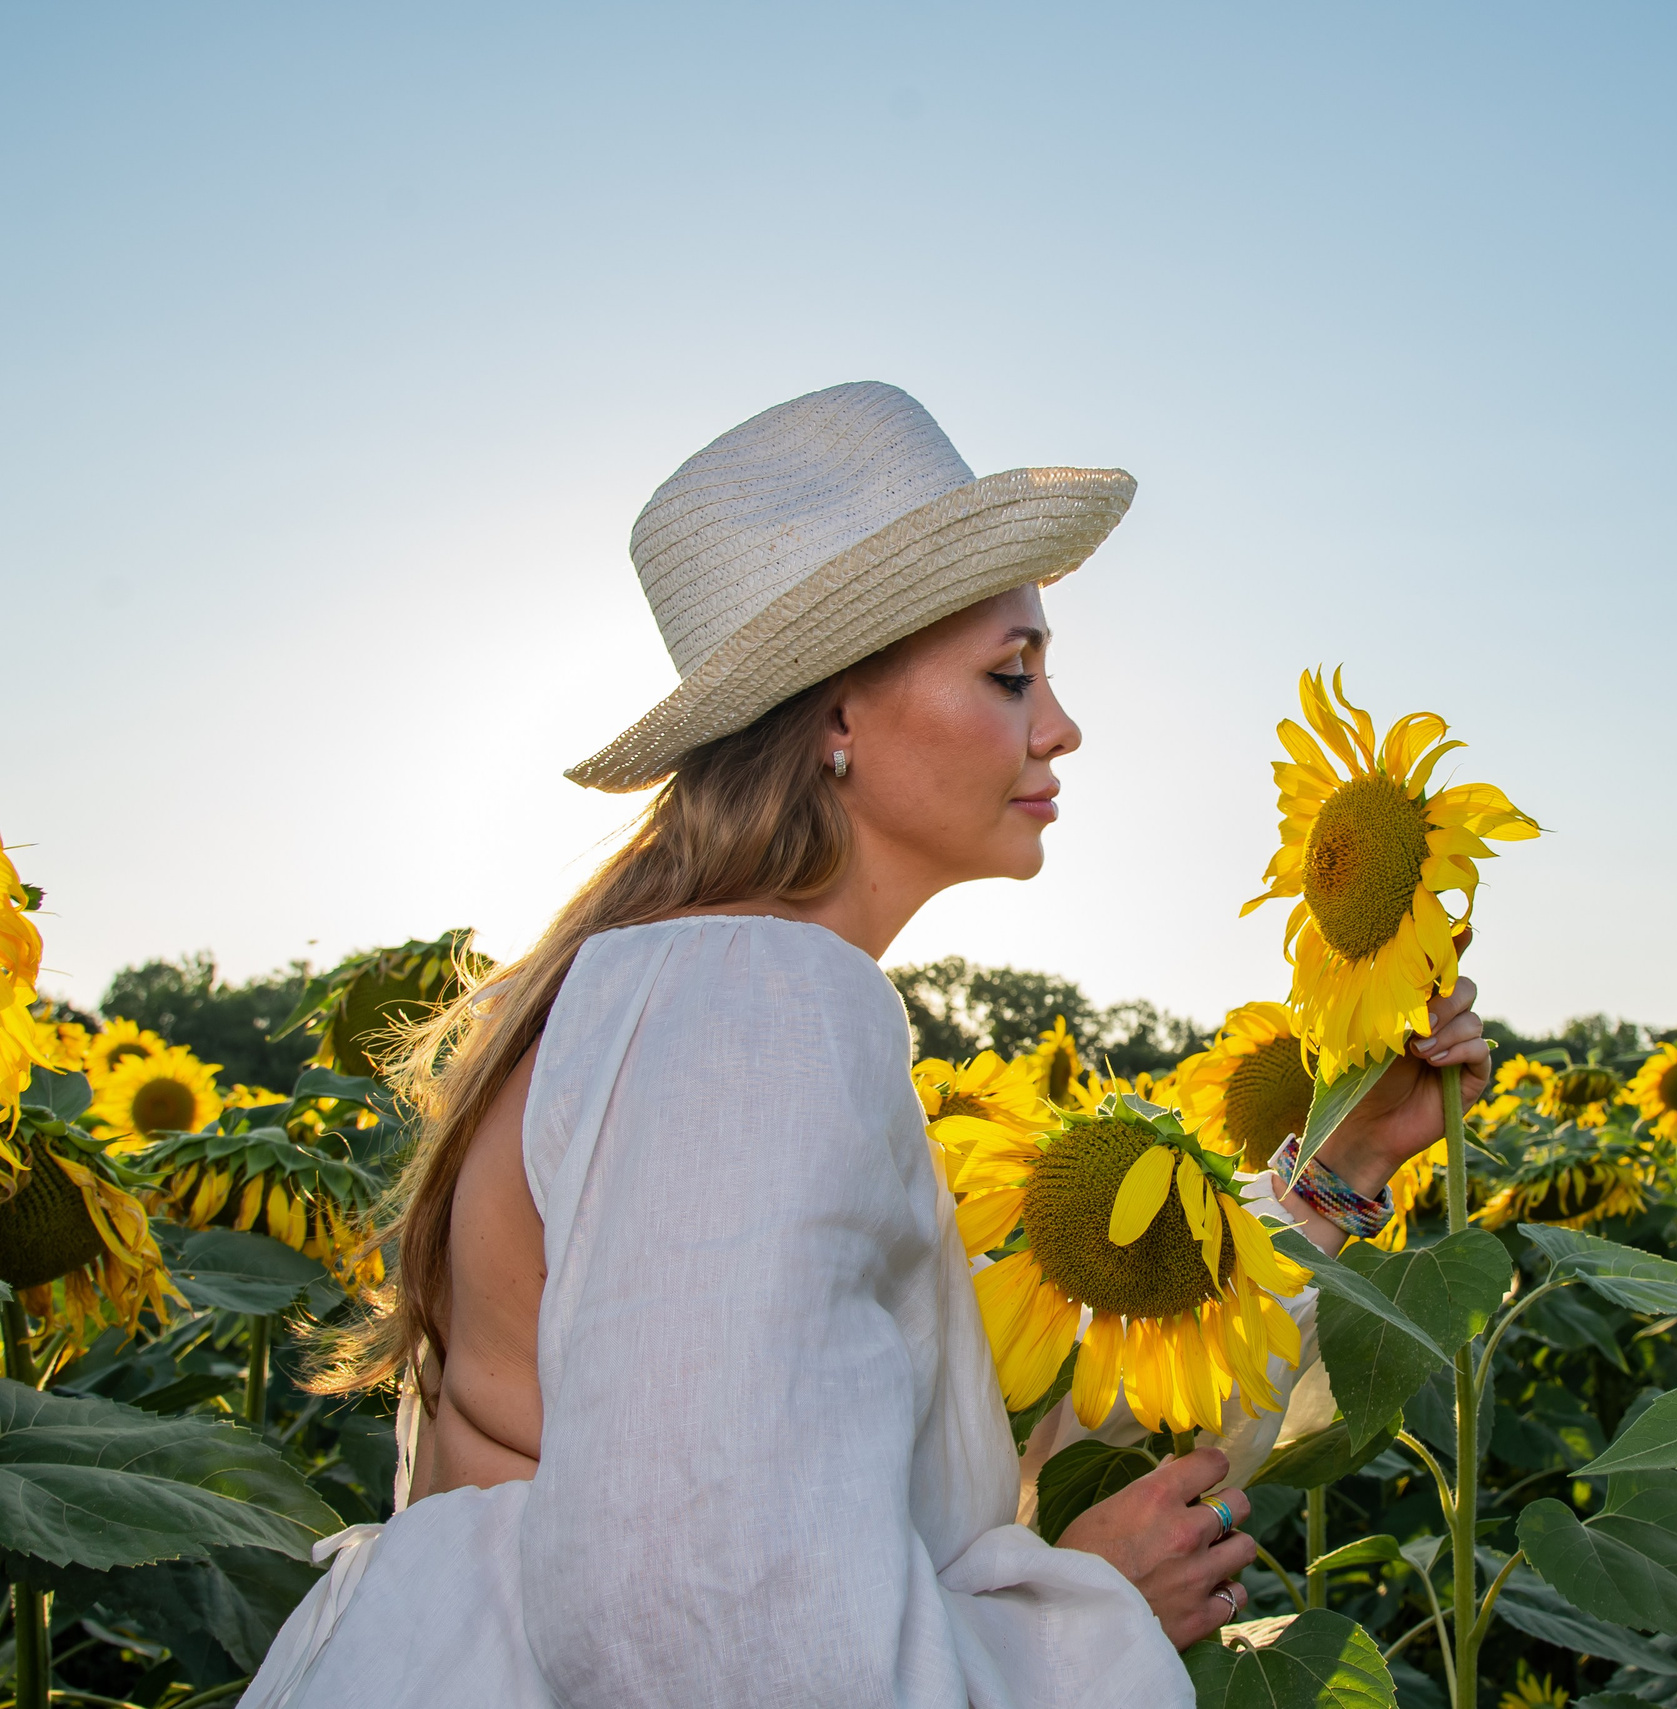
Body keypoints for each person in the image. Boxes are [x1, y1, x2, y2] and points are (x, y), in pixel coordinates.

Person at [243, 382, 1490, 1707]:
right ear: (836, 715)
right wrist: (1090, 1621)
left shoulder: (680, 996)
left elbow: (847, 1498)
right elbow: (724, 1642)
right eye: (1011, 673)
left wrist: (1339, 1172)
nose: (1060, 725)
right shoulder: (743, 1012)